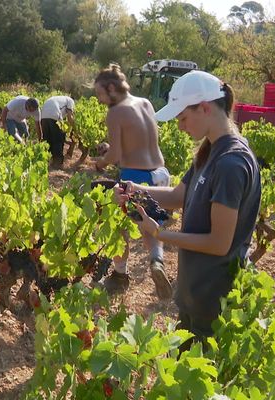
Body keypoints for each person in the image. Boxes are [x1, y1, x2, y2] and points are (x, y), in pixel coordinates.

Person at [116, 71, 261, 342]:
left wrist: (159, 234)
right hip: (195, 293)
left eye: (183, 118)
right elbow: (176, 196)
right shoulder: (209, 152)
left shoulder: (231, 163)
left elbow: (219, 243)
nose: (181, 127)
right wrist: (134, 190)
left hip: (214, 303)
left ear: (205, 108)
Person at [93, 63, 172, 300]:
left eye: (100, 94)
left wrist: (100, 163)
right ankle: (157, 261)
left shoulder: (115, 112)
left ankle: (119, 275)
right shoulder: (145, 103)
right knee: (149, 223)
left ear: (111, 88)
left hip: (135, 177)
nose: (100, 100)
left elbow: (116, 155)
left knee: (119, 228)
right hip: (159, 174)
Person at [41, 95, 75, 168]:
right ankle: (57, 164)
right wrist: (75, 129)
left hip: (43, 115)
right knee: (58, 139)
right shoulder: (71, 101)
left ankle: (45, 162)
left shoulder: (60, 99)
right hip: (54, 113)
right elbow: (70, 117)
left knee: (47, 139)